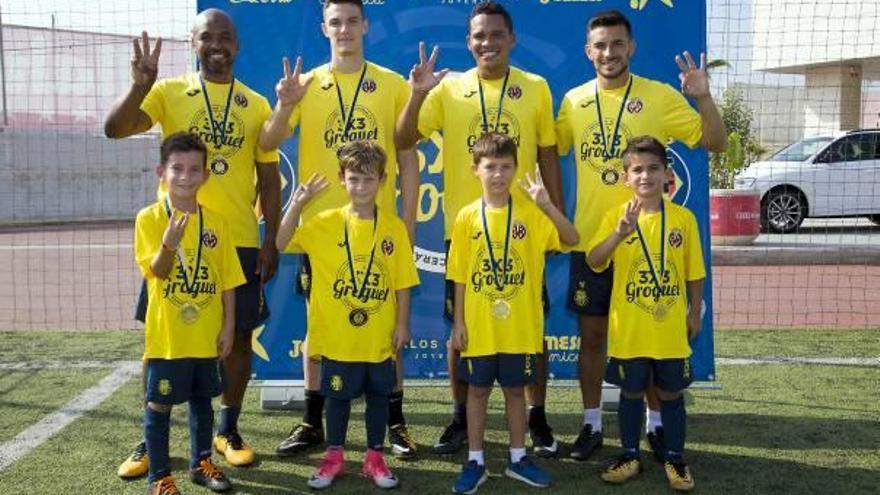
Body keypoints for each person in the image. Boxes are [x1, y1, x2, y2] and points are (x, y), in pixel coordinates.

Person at [106, 8, 281, 475]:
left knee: (238, 338)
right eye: (208, 37)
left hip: (239, 238)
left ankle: (227, 428)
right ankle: (150, 437)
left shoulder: (256, 103)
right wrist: (142, 85)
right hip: (176, 237)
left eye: (225, 36)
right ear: (194, 43)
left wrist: (271, 241)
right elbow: (114, 128)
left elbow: (269, 180)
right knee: (159, 341)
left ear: (237, 45)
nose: (217, 44)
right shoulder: (167, 91)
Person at [395, 0, 564, 457]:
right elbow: (402, 140)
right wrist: (416, 93)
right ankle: (457, 417)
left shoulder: (536, 87)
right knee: (460, 329)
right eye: (479, 36)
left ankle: (537, 418)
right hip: (466, 229)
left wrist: (555, 215)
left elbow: (548, 154)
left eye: (496, 34)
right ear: (469, 42)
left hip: (525, 229)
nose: (487, 42)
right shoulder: (448, 90)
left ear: (511, 39)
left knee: (533, 327)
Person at [554, 9, 725, 461]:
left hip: (647, 244)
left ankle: (655, 425)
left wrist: (704, 98)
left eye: (617, 44)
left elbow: (715, 141)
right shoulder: (572, 101)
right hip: (595, 243)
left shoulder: (660, 96)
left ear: (631, 47)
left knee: (649, 342)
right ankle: (591, 425)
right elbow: (549, 152)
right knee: (591, 339)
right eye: (600, 45)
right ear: (588, 51)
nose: (609, 53)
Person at [258, 0, 420, 458]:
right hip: (323, 232)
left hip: (378, 230)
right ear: (323, 28)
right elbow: (267, 144)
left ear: (365, 26)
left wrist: (406, 224)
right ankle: (312, 421)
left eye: (352, 21)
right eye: (335, 22)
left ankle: (396, 421)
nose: (344, 29)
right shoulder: (306, 85)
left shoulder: (390, 84)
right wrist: (283, 104)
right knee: (318, 327)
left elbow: (408, 159)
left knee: (388, 326)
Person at [275, 140, 419, 490]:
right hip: (337, 336)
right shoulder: (324, 223)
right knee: (337, 398)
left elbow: (401, 282)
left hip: (378, 335)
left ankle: (374, 457)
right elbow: (280, 242)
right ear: (342, 179)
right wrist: (296, 203)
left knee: (378, 398)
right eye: (353, 178)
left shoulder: (394, 228)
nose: (360, 186)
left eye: (368, 179)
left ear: (383, 181)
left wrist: (401, 324)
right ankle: (334, 457)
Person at [447, 133, 579, 494]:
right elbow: (458, 274)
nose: (499, 174)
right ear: (476, 170)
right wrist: (458, 321)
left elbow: (570, 237)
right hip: (480, 326)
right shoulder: (466, 217)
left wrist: (548, 205)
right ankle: (475, 459)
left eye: (506, 167)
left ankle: (518, 457)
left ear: (516, 168)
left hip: (520, 327)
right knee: (476, 392)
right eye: (491, 167)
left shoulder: (531, 215)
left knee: (516, 392)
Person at [586, 136, 705, 492]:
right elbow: (594, 261)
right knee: (631, 393)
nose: (645, 176)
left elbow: (694, 273)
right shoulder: (615, 216)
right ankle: (628, 455)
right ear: (625, 177)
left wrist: (694, 314)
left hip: (669, 330)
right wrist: (619, 234)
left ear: (667, 174)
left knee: (670, 395)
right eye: (637, 169)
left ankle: (675, 458)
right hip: (630, 330)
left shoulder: (683, 219)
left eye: (653, 169)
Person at [134, 132, 245, 495]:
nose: (185, 177)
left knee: (203, 401)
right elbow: (159, 271)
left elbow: (228, 281)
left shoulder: (217, 222)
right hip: (169, 338)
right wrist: (169, 242)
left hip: (207, 335)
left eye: (193, 170)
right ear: (161, 172)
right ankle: (160, 477)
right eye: (176, 169)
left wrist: (228, 327)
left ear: (205, 175)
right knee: (160, 404)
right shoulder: (149, 219)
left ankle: (201, 462)